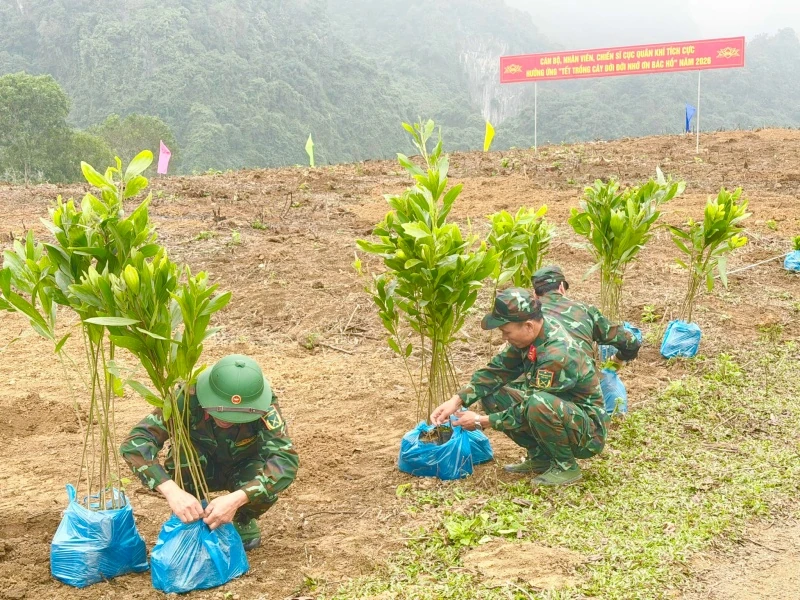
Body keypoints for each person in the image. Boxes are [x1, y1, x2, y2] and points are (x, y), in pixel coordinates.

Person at [120, 354, 299, 551]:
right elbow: (136, 442)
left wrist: (238, 499)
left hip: (243, 465)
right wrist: (171, 491)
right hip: (197, 465)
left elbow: (285, 461)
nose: (227, 420)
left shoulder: (261, 403)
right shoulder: (186, 397)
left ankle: (242, 518)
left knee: (266, 484)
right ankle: (190, 514)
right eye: (221, 412)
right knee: (184, 458)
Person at [431, 288, 606, 486]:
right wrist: (457, 400)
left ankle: (566, 466)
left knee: (538, 403)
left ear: (528, 326)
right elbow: (497, 371)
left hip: (587, 432)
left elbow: (528, 409)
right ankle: (541, 457)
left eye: (506, 332)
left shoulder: (556, 354)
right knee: (492, 394)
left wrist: (481, 421)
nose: (504, 338)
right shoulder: (533, 336)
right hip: (561, 412)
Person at [532, 265, 641, 368]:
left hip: (541, 378)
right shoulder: (585, 310)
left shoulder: (527, 315)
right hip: (584, 379)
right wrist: (617, 360)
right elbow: (631, 342)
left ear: (535, 294)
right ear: (561, 288)